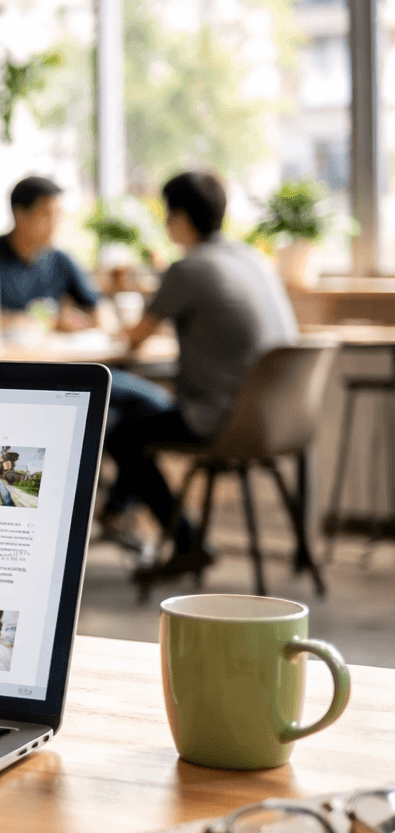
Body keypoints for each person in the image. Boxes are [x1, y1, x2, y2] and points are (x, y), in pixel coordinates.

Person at [110, 170, 299, 578]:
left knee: (120, 432)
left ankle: (185, 541)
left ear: (178, 218)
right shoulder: (253, 259)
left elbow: (134, 340)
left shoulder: (188, 269)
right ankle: (118, 512)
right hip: (279, 418)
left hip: (220, 420)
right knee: (135, 403)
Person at [0, 176, 103, 330]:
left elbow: (100, 311)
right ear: (20, 215)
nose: (55, 223)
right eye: (47, 214)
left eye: (59, 214)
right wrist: (20, 321)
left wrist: (78, 322)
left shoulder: (61, 261)